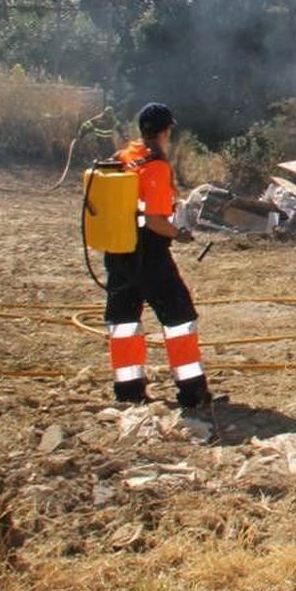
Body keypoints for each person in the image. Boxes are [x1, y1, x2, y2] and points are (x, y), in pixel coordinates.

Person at [104, 103, 212, 409]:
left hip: (117, 251)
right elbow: (154, 220)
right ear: (165, 131)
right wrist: (178, 233)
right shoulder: (156, 165)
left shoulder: (124, 156)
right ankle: (192, 392)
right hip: (148, 255)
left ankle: (128, 392)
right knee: (180, 318)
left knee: (123, 321)